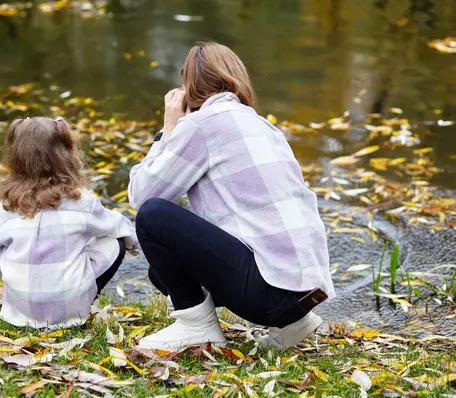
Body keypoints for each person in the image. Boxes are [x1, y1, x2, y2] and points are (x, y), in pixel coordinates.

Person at [128, 42, 335, 351]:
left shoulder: (201, 125)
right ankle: (295, 324)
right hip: (305, 292)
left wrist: (167, 131)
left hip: (268, 296)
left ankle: (197, 326)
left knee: (153, 216)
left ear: (189, 87)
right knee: (161, 272)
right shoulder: (262, 125)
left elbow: (142, 195)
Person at [0, 117, 139, 329]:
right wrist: (133, 243)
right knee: (115, 242)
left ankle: (32, 297)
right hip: (71, 310)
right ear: (66, 155)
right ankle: (81, 302)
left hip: (19, 311)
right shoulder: (81, 201)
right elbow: (116, 225)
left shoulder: (6, 207)